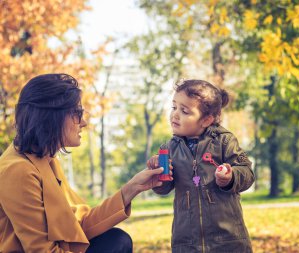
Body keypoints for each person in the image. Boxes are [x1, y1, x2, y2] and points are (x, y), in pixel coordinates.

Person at [0, 73, 169, 253]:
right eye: (76, 113)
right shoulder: (17, 171)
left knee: (116, 240)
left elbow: (77, 225)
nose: (84, 122)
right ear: (51, 116)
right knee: (116, 243)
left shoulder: (44, 159)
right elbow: (43, 250)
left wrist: (132, 188)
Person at [148, 79, 255, 253]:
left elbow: (247, 172)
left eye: (184, 111)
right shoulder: (168, 149)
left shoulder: (223, 140)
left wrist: (231, 176)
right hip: (186, 241)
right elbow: (164, 188)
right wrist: (158, 175)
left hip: (227, 239)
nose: (175, 115)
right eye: (174, 107)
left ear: (206, 120)